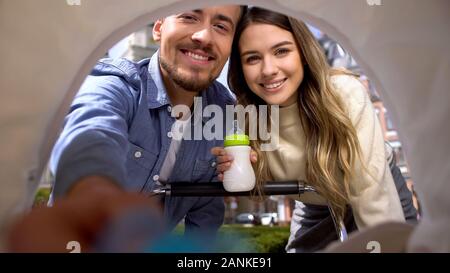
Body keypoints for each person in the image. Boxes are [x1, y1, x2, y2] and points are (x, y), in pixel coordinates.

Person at [8, 5, 245, 252]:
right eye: (189, 16)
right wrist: (94, 194)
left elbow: (206, 208)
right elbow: (91, 132)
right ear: (159, 28)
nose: (204, 36)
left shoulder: (224, 111)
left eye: (221, 26)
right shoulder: (117, 84)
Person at [212, 7, 406, 252]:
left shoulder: (343, 94)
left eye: (281, 51)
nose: (268, 69)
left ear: (303, 53)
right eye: (253, 58)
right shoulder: (246, 117)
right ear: (241, 68)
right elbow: (258, 190)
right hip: (315, 201)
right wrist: (241, 171)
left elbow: (371, 194)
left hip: (376, 189)